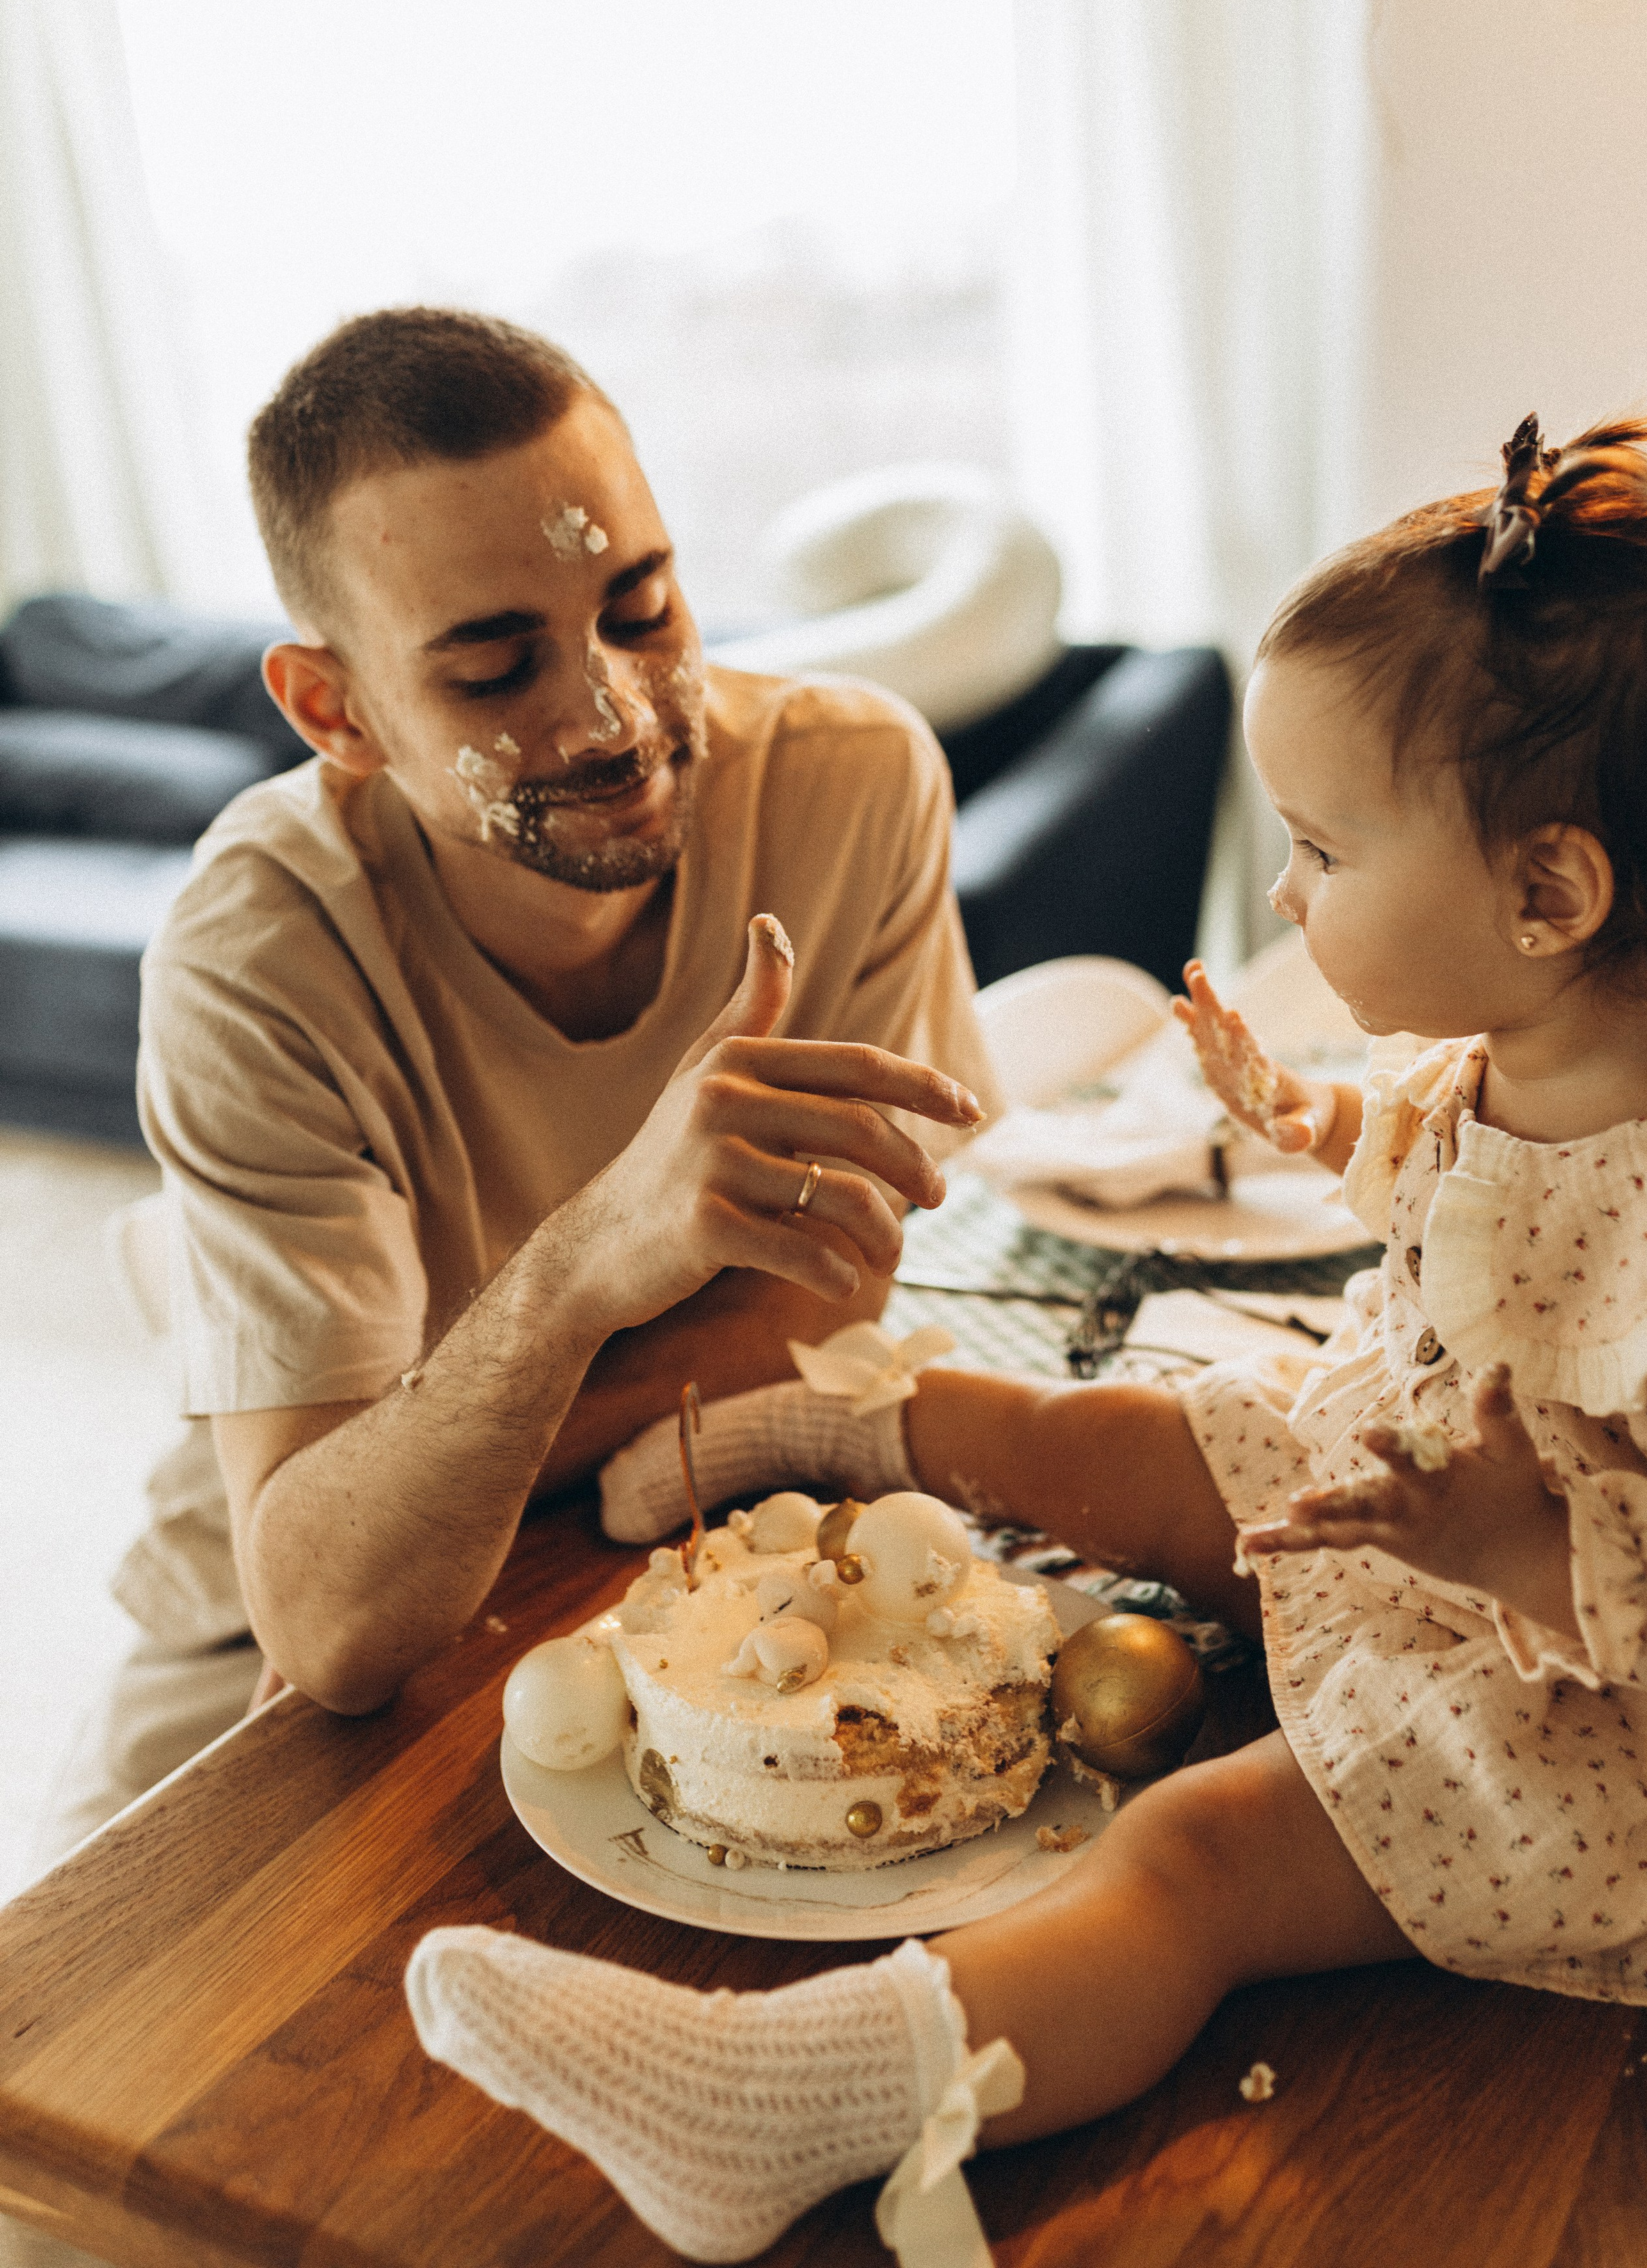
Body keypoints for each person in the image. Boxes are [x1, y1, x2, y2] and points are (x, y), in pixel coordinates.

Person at [406, 414, 1647, 2267]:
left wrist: (1518, 1548)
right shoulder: (1532, 1045)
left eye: (1320, 850)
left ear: (1548, 896)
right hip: (1400, 1511)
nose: (1284, 896)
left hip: (1581, 1727)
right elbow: (1472, 1195)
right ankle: (841, 1427)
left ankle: (786, 2099)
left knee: (1194, 1863)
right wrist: (1316, 1123)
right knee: (1137, 1426)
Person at [46, 305, 992, 1850]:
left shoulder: (855, 785)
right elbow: (327, 1618)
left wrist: (453, 1451)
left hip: (671, 1530)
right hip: (253, 1650)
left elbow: (826, 1299)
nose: (615, 716)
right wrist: (583, 1272)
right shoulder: (257, 955)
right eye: (494, 672)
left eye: (644, 608)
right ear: (335, 711)